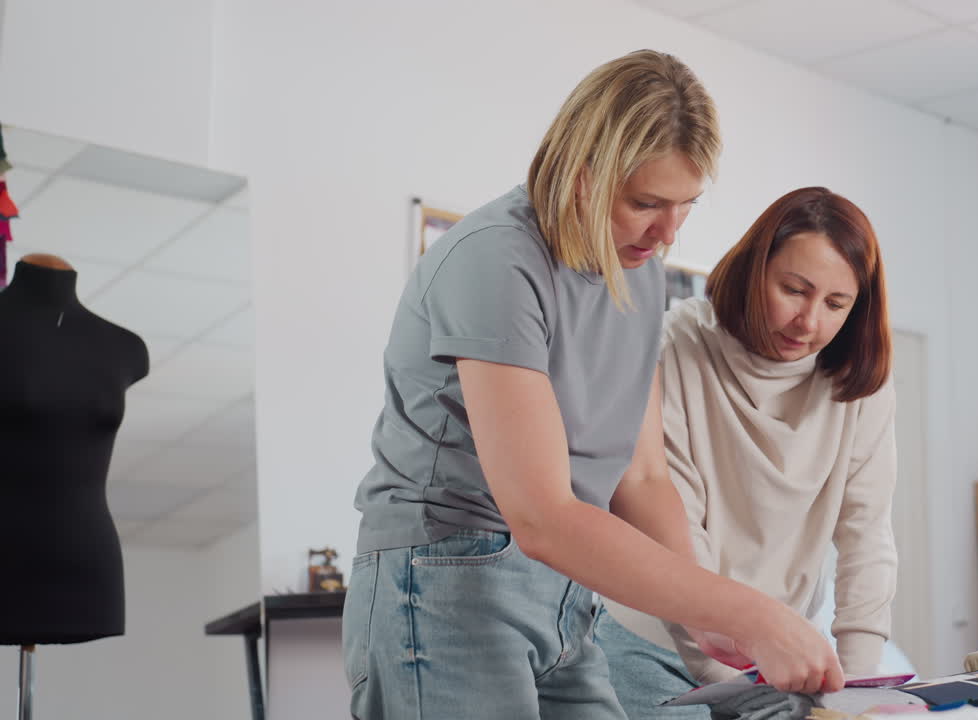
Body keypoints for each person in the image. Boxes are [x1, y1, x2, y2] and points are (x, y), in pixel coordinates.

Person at [342, 53, 844, 720]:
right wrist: (752, 615)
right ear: (582, 173)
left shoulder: (637, 274)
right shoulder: (496, 259)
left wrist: (703, 609)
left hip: (565, 594)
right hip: (444, 583)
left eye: (686, 206)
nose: (667, 233)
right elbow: (542, 515)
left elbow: (640, 478)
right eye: (646, 203)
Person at [596, 187, 899, 719]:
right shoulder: (674, 348)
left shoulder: (860, 385)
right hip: (652, 642)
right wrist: (739, 681)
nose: (808, 322)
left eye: (835, 304)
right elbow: (675, 529)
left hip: (773, 652)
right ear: (755, 269)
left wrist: (859, 689)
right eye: (793, 289)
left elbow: (867, 536)